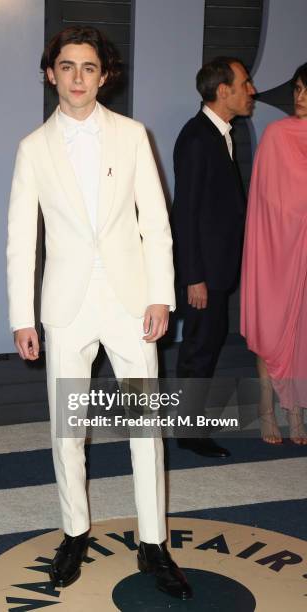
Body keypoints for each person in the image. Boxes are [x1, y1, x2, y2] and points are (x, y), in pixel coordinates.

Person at [7, 27, 192, 600]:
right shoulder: (32, 148)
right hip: (65, 307)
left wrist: (161, 293)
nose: (78, 77)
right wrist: (21, 316)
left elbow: (156, 223)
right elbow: (21, 240)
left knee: (145, 428)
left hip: (131, 301)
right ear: (50, 74)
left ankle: (154, 543)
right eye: (67, 67)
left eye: (89, 68)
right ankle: (74, 532)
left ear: (104, 75)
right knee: (67, 430)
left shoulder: (134, 136)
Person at [172, 57, 255, 458]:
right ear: (224, 91)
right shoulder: (197, 137)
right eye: (245, 83)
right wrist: (194, 276)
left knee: (206, 344)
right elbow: (184, 212)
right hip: (203, 273)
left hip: (215, 269)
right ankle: (188, 432)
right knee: (199, 348)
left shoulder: (218, 133)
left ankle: (189, 426)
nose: (251, 90)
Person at [240, 62, 307, 445]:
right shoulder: (277, 134)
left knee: (301, 331)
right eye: (297, 88)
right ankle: (267, 408)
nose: (299, 96)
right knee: (271, 326)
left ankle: (295, 412)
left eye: (305, 89)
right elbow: (264, 201)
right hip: (274, 249)